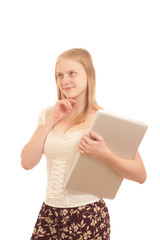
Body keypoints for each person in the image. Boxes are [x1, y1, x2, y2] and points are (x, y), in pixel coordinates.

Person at [21, 48, 147, 240]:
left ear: (89, 75)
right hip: (50, 212)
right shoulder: (49, 114)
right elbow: (27, 162)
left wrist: (105, 154)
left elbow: (140, 174)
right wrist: (52, 120)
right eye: (59, 75)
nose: (64, 81)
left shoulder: (103, 121)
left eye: (72, 73)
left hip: (88, 215)